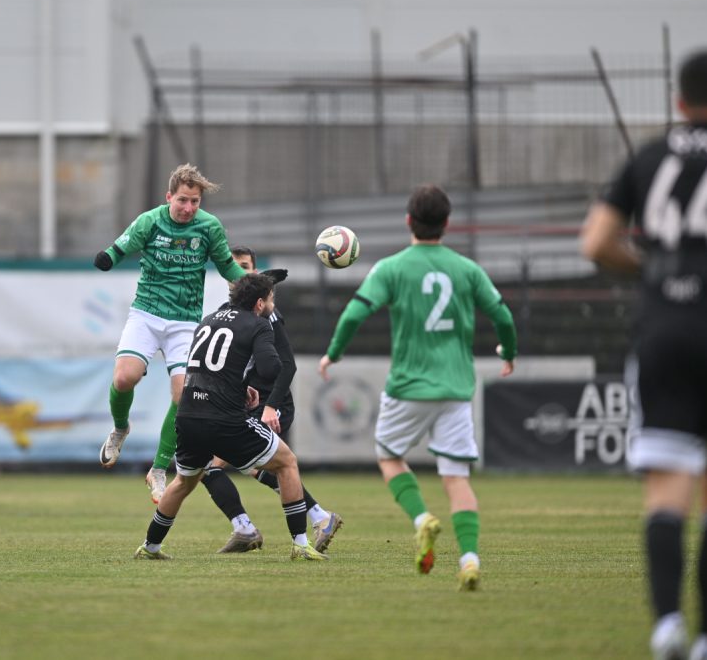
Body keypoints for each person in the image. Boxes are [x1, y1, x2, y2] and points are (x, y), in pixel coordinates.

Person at [580, 49, 707, 660]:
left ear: (678, 101)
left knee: (667, 488)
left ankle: (666, 627)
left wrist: (652, 274)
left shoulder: (650, 155)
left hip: (662, 330)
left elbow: (598, 242)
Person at [318, 184, 517, 591]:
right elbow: (503, 316)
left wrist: (333, 353)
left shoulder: (392, 268)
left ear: (408, 221)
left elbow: (356, 312)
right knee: (457, 477)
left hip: (408, 386)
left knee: (388, 457)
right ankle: (469, 560)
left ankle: (421, 518)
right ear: (447, 223)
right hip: (456, 390)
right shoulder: (467, 269)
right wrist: (508, 352)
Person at [134, 273, 327, 561]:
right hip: (224, 420)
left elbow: (209, 369)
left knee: (184, 482)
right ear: (260, 303)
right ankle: (300, 544)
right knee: (287, 462)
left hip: (188, 415)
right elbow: (271, 369)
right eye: (272, 299)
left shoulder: (208, 320)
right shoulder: (259, 324)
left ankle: (150, 547)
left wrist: (240, 388)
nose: (272, 304)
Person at [94, 163, 246, 503]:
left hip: (186, 322)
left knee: (184, 396)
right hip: (146, 314)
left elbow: (226, 265)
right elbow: (120, 247)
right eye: (182, 200)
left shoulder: (209, 227)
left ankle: (159, 469)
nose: (189, 208)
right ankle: (121, 428)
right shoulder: (150, 221)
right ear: (169, 197)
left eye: (195, 201)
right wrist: (107, 258)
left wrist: (252, 284)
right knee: (124, 379)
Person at [200, 246, 343, 554]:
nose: (239, 272)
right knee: (262, 470)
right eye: (233, 267)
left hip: (268, 405)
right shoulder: (232, 310)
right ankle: (318, 516)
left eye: (246, 267)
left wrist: (270, 406)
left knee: (207, 464)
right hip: (244, 405)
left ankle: (246, 528)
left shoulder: (266, 311)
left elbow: (286, 364)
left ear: (255, 272)